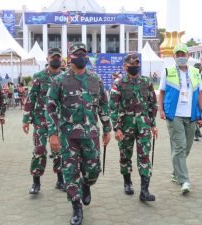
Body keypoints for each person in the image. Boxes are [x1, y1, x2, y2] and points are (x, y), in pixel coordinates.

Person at [46, 43, 111, 225]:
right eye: (77, 54)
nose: (81, 57)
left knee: (93, 171)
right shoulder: (59, 80)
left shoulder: (95, 79)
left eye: (84, 54)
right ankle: (76, 206)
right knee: (70, 172)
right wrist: (53, 133)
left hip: (91, 135)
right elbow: (50, 107)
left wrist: (107, 128)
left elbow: (104, 105)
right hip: (68, 137)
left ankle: (86, 185)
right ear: (70, 57)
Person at [158, 43, 202, 193]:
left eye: (182, 54)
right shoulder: (168, 71)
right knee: (180, 146)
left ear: (188, 56)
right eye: (177, 55)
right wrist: (160, 109)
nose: (180, 57)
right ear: (173, 57)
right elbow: (161, 92)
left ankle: (176, 172)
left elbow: (199, 93)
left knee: (187, 147)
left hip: (191, 115)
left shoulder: (195, 72)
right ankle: (184, 181)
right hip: (174, 115)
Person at [109, 53, 158, 201]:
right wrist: (116, 128)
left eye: (137, 64)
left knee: (144, 156)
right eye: (132, 65)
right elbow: (113, 107)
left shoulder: (146, 82)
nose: (135, 67)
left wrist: (152, 124)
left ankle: (144, 190)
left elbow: (152, 104)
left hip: (143, 125)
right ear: (125, 66)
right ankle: (127, 182)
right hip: (125, 125)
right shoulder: (118, 83)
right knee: (125, 155)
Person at [22, 48, 65, 194]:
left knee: (58, 151)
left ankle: (60, 181)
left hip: (59, 121)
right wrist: (26, 119)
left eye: (58, 57)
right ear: (47, 59)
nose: (55, 59)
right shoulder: (39, 76)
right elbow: (31, 98)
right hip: (41, 119)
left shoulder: (65, 77)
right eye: (53, 57)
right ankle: (36, 182)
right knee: (39, 150)